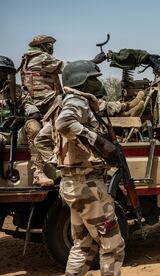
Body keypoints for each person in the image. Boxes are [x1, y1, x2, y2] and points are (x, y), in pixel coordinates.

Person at [43, 60, 124, 275]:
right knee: (113, 245)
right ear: (81, 81)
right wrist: (98, 141)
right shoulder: (77, 101)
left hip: (73, 185)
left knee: (83, 245)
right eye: (93, 78)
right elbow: (64, 123)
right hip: (88, 186)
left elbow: (43, 137)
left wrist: (55, 162)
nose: (97, 82)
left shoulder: (60, 102)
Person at [19, 35, 64, 186]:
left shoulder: (26, 59)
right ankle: (39, 172)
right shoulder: (41, 57)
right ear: (41, 45)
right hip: (43, 109)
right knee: (37, 129)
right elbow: (66, 68)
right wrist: (91, 63)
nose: (52, 48)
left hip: (39, 108)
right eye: (49, 44)